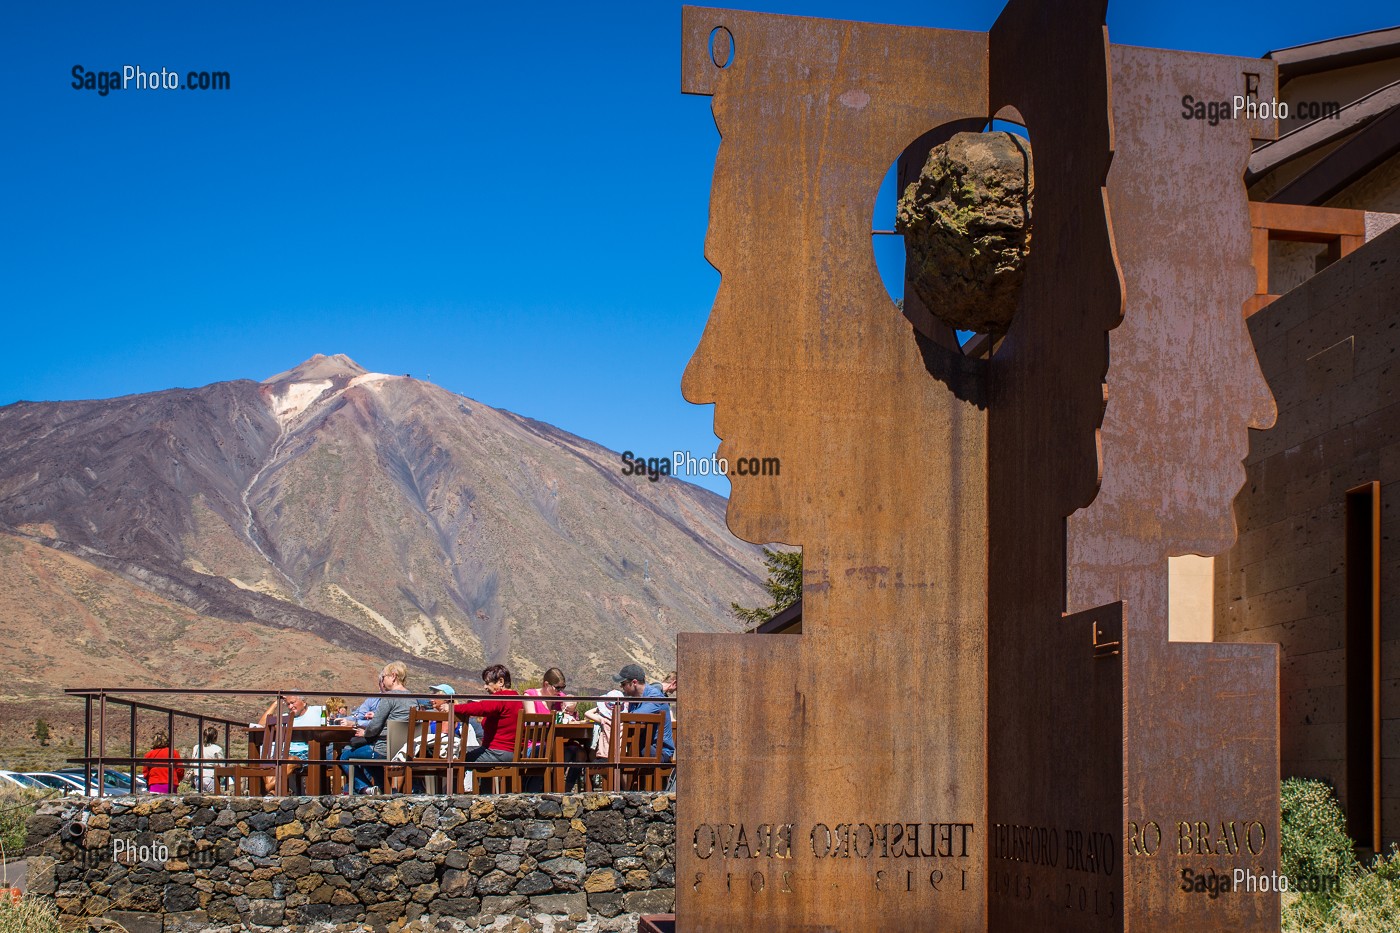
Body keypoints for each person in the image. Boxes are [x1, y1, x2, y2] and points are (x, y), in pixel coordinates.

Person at [339, 663, 415, 794]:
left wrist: (365, 733)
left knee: (345, 756)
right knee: (369, 760)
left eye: (384, 676)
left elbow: (374, 726)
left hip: (383, 749)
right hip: (403, 750)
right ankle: (382, 789)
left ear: (393, 676)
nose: (383, 681)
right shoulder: (413, 698)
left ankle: (365, 788)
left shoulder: (390, 697)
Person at [454, 664, 521, 768]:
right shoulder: (517, 698)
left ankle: (454, 785)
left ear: (501, 682)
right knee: (462, 750)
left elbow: (481, 708)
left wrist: (453, 708)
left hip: (497, 753)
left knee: (455, 755)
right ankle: (485, 785)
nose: (485, 687)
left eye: (487, 683)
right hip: (512, 753)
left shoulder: (501, 698)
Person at [625, 666, 676, 763]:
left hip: (659, 751)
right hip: (644, 746)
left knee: (630, 752)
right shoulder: (635, 699)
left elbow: (633, 719)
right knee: (613, 754)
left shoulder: (654, 697)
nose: (622, 688)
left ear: (634, 683)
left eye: (623, 684)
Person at [191, 726, 225, 794]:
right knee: (213, 798)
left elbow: (192, 762)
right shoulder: (217, 749)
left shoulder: (196, 747)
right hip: (211, 777)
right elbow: (222, 766)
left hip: (198, 777)